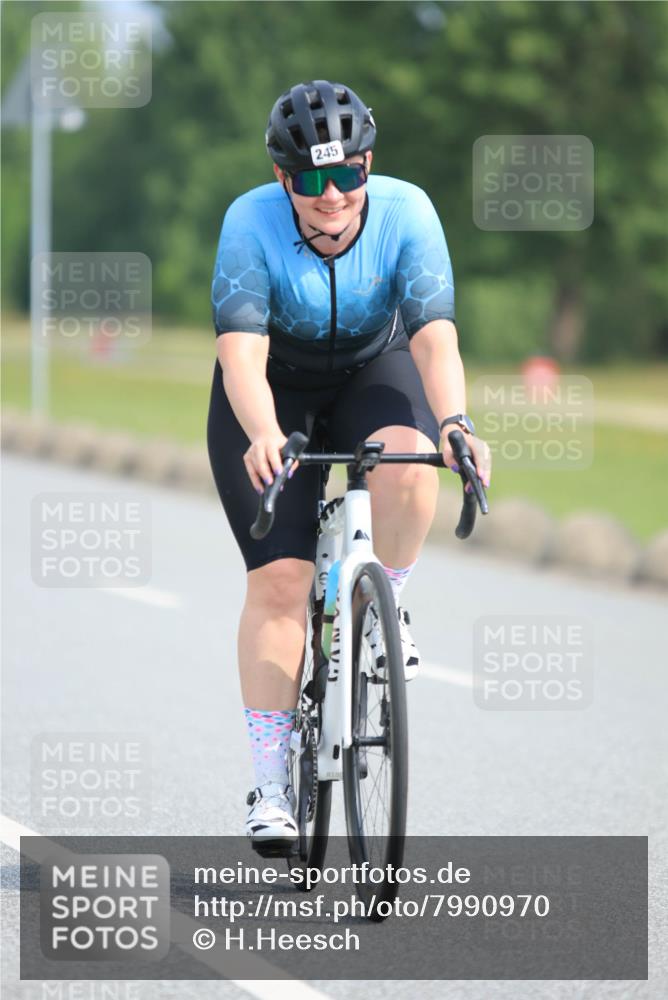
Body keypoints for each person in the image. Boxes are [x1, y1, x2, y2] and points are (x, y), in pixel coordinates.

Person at [207, 80, 491, 854]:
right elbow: (241, 355)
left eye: (347, 175)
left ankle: (387, 599)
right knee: (280, 585)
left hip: (375, 366)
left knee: (411, 456)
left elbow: (434, 336)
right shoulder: (248, 223)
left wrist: (458, 422)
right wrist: (263, 432)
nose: (331, 197)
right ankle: (270, 784)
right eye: (309, 180)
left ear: (369, 165)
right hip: (276, 388)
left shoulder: (408, 212)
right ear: (281, 180)